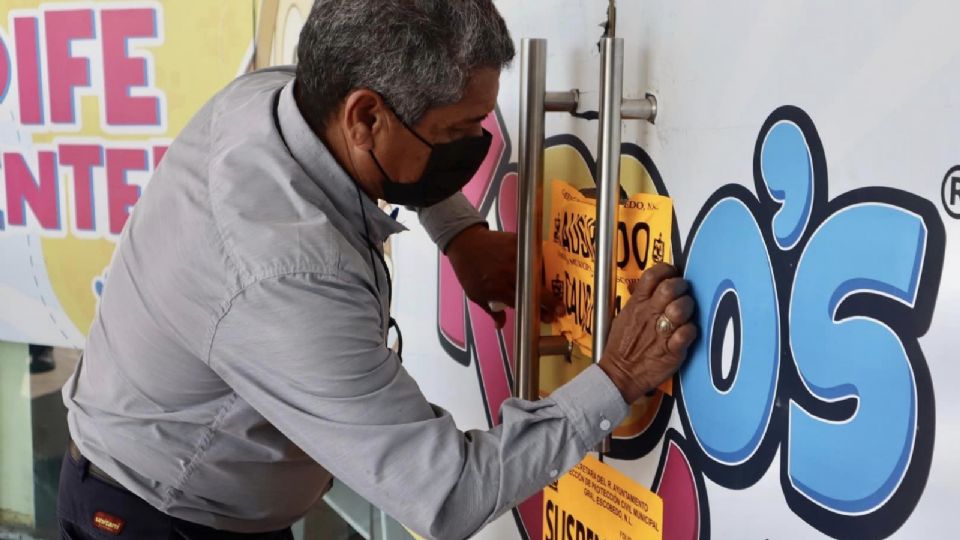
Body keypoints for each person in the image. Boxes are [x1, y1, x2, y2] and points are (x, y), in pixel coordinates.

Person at [57, 1, 698, 539]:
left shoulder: (278, 98)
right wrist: (616, 377)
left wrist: (459, 232)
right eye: (458, 133)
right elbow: (445, 493)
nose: (473, 150)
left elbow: (394, 137)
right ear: (366, 116)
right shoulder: (285, 276)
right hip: (160, 516)